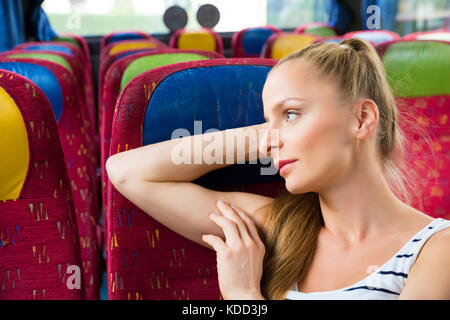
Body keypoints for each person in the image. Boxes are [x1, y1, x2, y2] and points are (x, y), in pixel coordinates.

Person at [106, 38, 450, 300]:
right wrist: (266, 135)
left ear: (361, 119)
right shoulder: (279, 228)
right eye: (266, 120)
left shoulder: (436, 250)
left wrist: (244, 299)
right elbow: (126, 171)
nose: (270, 141)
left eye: (291, 113)